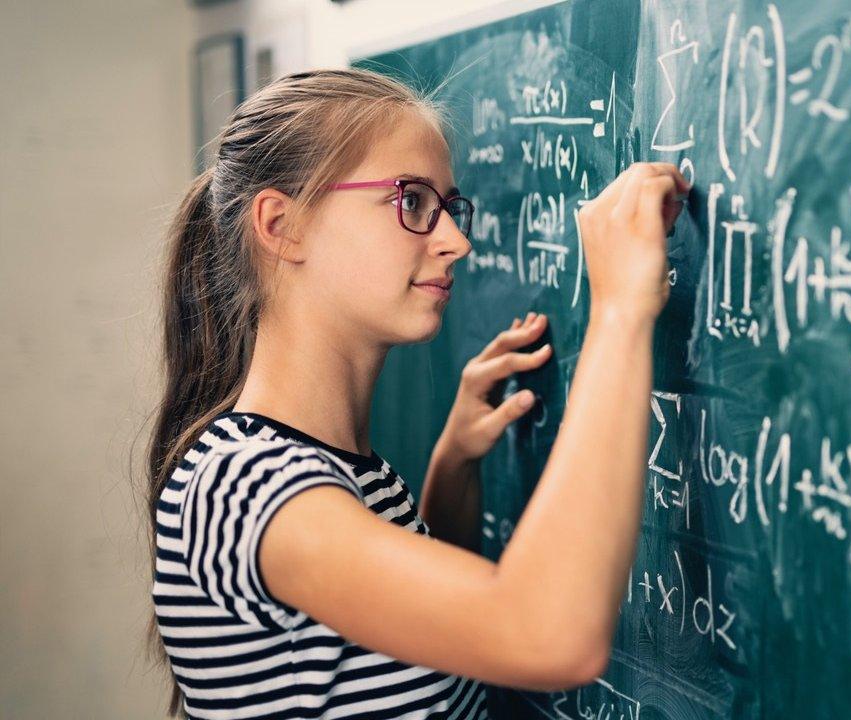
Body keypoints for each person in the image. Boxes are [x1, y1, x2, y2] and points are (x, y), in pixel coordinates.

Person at [143, 67, 689, 719]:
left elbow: (421, 650)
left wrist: (451, 466)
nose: (456, 242)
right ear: (282, 224)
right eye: (412, 202)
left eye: (449, 208)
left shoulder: (339, 472)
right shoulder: (247, 484)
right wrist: (621, 309)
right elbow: (548, 637)